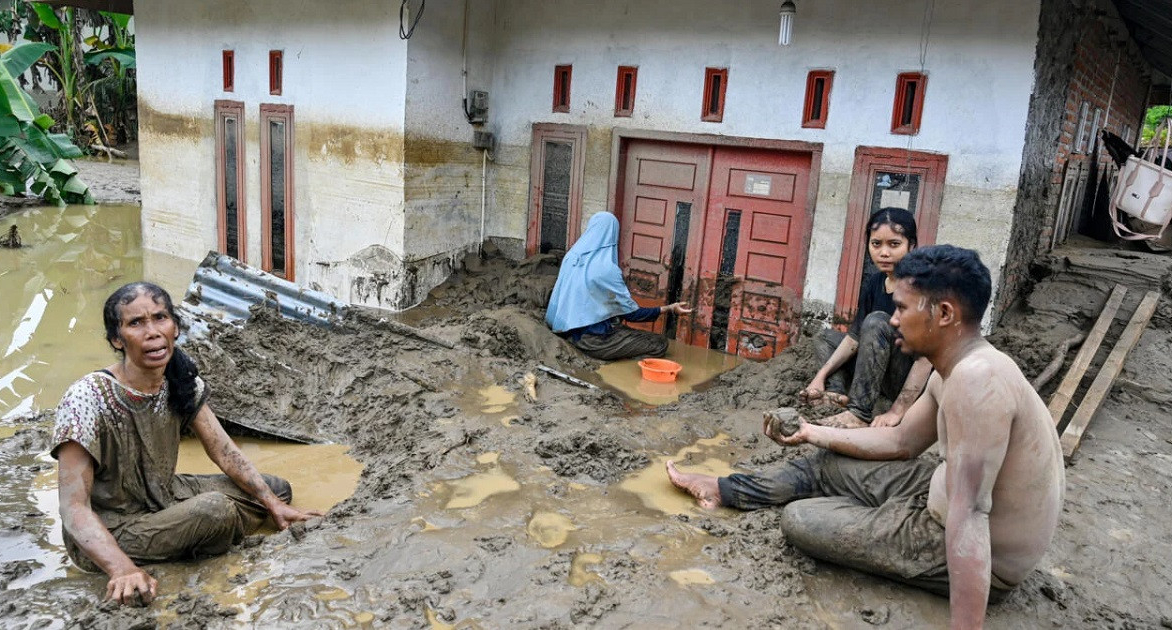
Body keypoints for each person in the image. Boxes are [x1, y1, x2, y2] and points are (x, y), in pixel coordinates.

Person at [667, 245, 1065, 629]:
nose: (893, 319)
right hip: (940, 494)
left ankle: (854, 511)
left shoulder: (977, 381)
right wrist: (811, 432)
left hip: (981, 552)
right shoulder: (957, 366)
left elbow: (972, 515)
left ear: (943, 313)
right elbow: (901, 442)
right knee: (826, 461)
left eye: (903, 308)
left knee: (801, 520)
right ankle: (724, 489)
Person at [53, 282, 322, 606]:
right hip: (112, 527)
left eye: (160, 318)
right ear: (116, 338)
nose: (152, 332)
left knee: (276, 490)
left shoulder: (180, 380)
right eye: (136, 323)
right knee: (216, 510)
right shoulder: (87, 397)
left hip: (163, 496)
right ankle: (178, 542)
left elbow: (223, 450)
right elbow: (73, 507)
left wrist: (272, 504)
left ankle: (183, 535)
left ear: (175, 327)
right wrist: (121, 568)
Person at [801, 208, 933, 428]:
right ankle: (836, 393)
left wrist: (897, 410)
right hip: (876, 368)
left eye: (894, 244)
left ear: (912, 246)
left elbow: (926, 359)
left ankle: (859, 413)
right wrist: (820, 377)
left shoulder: (921, 287)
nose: (883, 253)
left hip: (905, 376)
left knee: (876, 322)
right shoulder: (874, 282)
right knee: (826, 338)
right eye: (876, 244)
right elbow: (854, 339)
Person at [545, 212, 691, 361]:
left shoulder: (572, 256)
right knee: (659, 344)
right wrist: (670, 308)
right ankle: (616, 366)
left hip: (565, 329)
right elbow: (631, 314)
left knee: (620, 327)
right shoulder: (606, 269)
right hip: (591, 341)